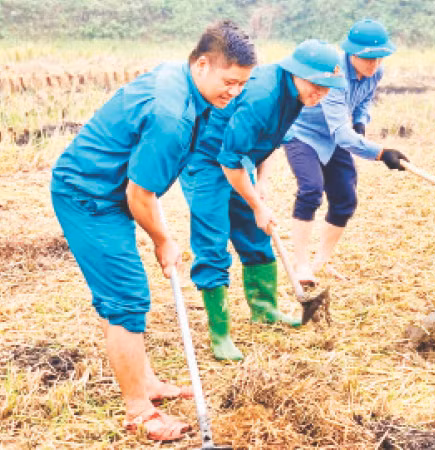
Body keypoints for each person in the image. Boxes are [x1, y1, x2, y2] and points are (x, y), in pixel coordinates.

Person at [50, 21, 256, 441]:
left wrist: (160, 234)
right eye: (229, 81)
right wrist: (164, 240)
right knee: (126, 298)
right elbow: (139, 195)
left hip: (107, 189)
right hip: (87, 195)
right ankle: (138, 410)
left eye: (242, 84)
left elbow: (141, 180)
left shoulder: (180, 82)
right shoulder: (172, 115)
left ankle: (146, 383)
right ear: (202, 64)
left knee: (121, 294)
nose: (233, 92)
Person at [179, 39, 346, 361]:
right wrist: (256, 204)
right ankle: (220, 335)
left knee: (256, 234)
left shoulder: (295, 94)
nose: (321, 93)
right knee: (212, 239)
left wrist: (261, 182)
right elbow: (228, 159)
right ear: (297, 72)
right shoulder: (263, 96)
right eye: (316, 84)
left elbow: (268, 141)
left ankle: (265, 309)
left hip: (239, 161)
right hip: (205, 158)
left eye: (328, 87)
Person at [283, 19, 409, 285]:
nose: (374, 64)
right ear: (351, 52)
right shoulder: (334, 74)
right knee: (311, 189)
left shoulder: (376, 72)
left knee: (345, 199)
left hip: (335, 135)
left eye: (379, 58)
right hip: (303, 134)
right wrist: (381, 152)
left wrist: (361, 122)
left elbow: (363, 101)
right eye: (368, 58)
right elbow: (342, 134)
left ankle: (321, 262)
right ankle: (301, 264)